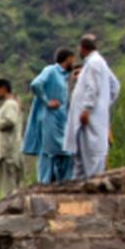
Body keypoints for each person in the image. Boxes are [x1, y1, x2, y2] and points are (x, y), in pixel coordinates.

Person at [62, 33, 120, 179]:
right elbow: (114, 86)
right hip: (91, 119)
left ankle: (92, 190)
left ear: (83, 48)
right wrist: (103, 105)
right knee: (81, 158)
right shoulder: (97, 62)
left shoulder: (94, 63)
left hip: (89, 120)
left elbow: (92, 88)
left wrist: (88, 110)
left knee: (92, 157)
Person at [23, 49, 76, 184]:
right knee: (49, 153)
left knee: (66, 153)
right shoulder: (51, 70)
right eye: (72, 59)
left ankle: (64, 183)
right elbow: (36, 84)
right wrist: (47, 101)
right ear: (68, 58)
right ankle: (45, 182)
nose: (73, 63)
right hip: (49, 121)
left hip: (60, 121)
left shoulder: (64, 77)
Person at [0, 78, 24, 197]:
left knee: (9, 184)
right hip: (8, 149)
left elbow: (10, 121)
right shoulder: (10, 104)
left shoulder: (10, 104)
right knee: (9, 181)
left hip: (8, 150)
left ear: (4, 89)